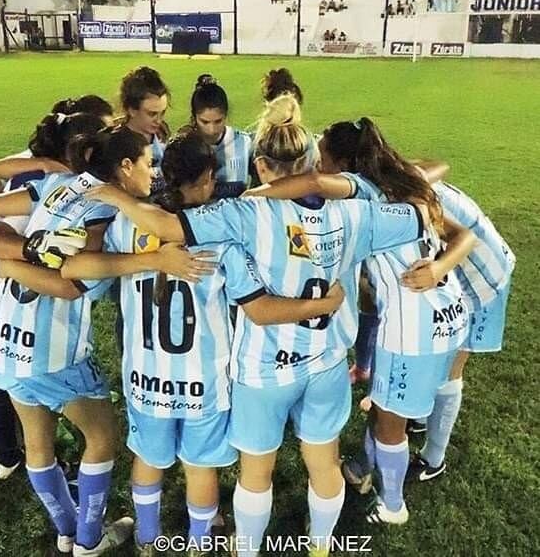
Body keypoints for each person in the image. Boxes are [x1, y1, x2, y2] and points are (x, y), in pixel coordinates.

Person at [85, 96, 433, 556]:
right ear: (312, 161)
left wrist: (111, 196)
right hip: (327, 359)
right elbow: (422, 211)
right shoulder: (358, 209)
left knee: (256, 472)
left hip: (261, 369)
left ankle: (242, 549)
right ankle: (321, 546)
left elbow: (171, 231)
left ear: (261, 166)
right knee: (323, 461)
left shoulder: (242, 216)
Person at [63, 131, 345, 556]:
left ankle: (147, 539)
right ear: (209, 177)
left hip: (144, 377)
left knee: (149, 463)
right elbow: (256, 303)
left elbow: (79, 270)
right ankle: (197, 545)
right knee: (200, 468)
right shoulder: (223, 234)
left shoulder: (130, 223)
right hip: (205, 381)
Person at [0, 126, 205, 556]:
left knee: (37, 440)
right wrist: (153, 258)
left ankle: (66, 529)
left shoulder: (59, 184)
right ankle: (88, 539)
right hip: (51, 347)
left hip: (3, 334)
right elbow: (73, 279)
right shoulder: (108, 212)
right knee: (101, 437)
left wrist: (15, 265)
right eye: (149, 164)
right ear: (125, 167)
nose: (153, 175)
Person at [245, 118, 474, 525]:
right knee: (390, 408)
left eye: (326, 159)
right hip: (451, 316)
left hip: (412, 328)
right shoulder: (403, 189)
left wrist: (254, 194)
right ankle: (370, 469)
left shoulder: (363, 199)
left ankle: (392, 506)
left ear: (345, 166)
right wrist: (440, 268)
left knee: (389, 423)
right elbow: (464, 235)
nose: (320, 165)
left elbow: (314, 184)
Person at [0, 108, 109, 481]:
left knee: (4, 378)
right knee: (12, 379)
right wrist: (33, 252)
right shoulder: (57, 181)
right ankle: (13, 456)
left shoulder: (33, 165)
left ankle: (18, 454)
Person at [406, 180, 515, 481]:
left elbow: (460, 238)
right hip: (470, 267)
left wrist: (437, 270)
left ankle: (434, 458)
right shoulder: (397, 172)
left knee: (449, 369)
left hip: (482, 278)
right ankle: (421, 418)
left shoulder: (403, 197)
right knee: (434, 355)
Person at [185, 74, 253, 199]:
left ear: (226, 115)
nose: (212, 130)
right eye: (204, 122)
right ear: (194, 117)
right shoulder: (183, 147)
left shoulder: (244, 142)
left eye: (218, 121)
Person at [119, 67, 170, 193]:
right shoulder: (117, 145)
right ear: (132, 110)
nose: (159, 120)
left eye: (162, 112)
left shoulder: (161, 133)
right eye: (152, 114)